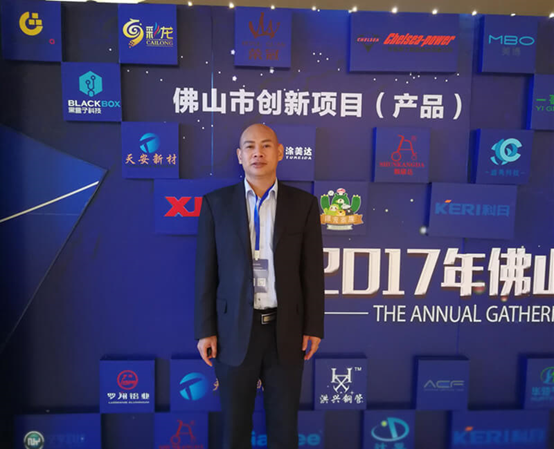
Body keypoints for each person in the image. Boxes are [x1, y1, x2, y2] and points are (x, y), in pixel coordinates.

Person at [194, 123, 325, 449]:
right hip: (233, 331)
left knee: (284, 427)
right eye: (250, 146)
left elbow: (312, 272)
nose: (258, 152)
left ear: (279, 152)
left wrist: (313, 326)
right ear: (239, 156)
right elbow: (205, 272)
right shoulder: (215, 204)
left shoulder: (304, 205)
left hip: (286, 330)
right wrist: (205, 329)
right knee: (235, 427)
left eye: (266, 145)